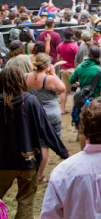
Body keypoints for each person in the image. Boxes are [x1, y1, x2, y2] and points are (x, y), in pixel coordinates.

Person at [0, 66, 69, 219]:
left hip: (2, 163)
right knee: (26, 202)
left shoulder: (29, 101)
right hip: (28, 160)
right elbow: (46, 130)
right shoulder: (29, 101)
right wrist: (63, 152)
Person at [25, 53, 66, 184]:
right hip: (50, 114)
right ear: (48, 65)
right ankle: (39, 176)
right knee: (45, 146)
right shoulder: (49, 78)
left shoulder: (26, 76)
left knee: (34, 142)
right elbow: (62, 88)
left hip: (32, 112)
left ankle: (31, 170)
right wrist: (53, 73)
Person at [57, 28, 78, 114]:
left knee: (64, 90)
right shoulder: (74, 46)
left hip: (63, 69)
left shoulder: (60, 45)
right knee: (75, 89)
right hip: (72, 69)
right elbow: (76, 60)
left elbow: (58, 59)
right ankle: (73, 109)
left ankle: (62, 109)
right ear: (72, 36)